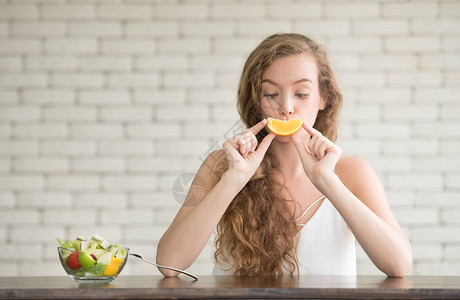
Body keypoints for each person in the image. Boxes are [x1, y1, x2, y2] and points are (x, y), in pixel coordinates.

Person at [156, 33, 412, 277]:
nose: (286, 108)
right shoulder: (221, 165)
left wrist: (327, 180)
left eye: (301, 94)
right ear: (256, 101)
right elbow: (169, 264)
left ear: (323, 98)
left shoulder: (353, 172)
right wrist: (234, 180)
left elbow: (398, 265)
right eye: (271, 94)